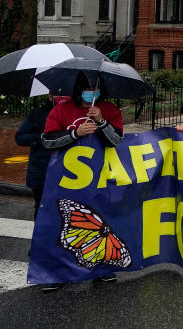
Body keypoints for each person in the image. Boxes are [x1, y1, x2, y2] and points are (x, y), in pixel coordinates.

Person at [40, 74, 123, 288]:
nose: (90, 91)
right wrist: (75, 133)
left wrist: (102, 121)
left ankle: (102, 268)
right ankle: (56, 273)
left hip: (100, 179)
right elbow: (48, 141)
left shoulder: (110, 110)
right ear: (78, 90)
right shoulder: (61, 110)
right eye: (86, 88)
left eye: (94, 88)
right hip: (65, 181)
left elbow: (116, 141)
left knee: (100, 224)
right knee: (61, 226)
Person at [15, 95, 59, 218]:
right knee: (42, 208)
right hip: (41, 171)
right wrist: (40, 137)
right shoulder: (37, 114)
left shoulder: (75, 113)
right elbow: (20, 138)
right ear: (50, 95)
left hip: (67, 171)